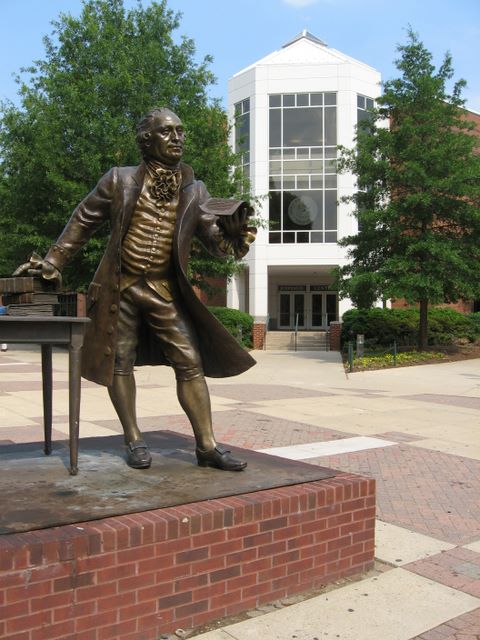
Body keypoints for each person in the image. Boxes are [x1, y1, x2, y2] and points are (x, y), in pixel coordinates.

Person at [15, 107, 256, 471]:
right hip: (120, 288)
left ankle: (207, 446)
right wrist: (54, 260)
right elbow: (84, 218)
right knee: (120, 361)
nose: (177, 138)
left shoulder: (195, 189)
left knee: (190, 361)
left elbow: (213, 240)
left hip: (164, 290)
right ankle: (133, 438)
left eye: (180, 131)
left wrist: (233, 236)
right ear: (146, 140)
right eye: (167, 131)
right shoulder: (119, 179)